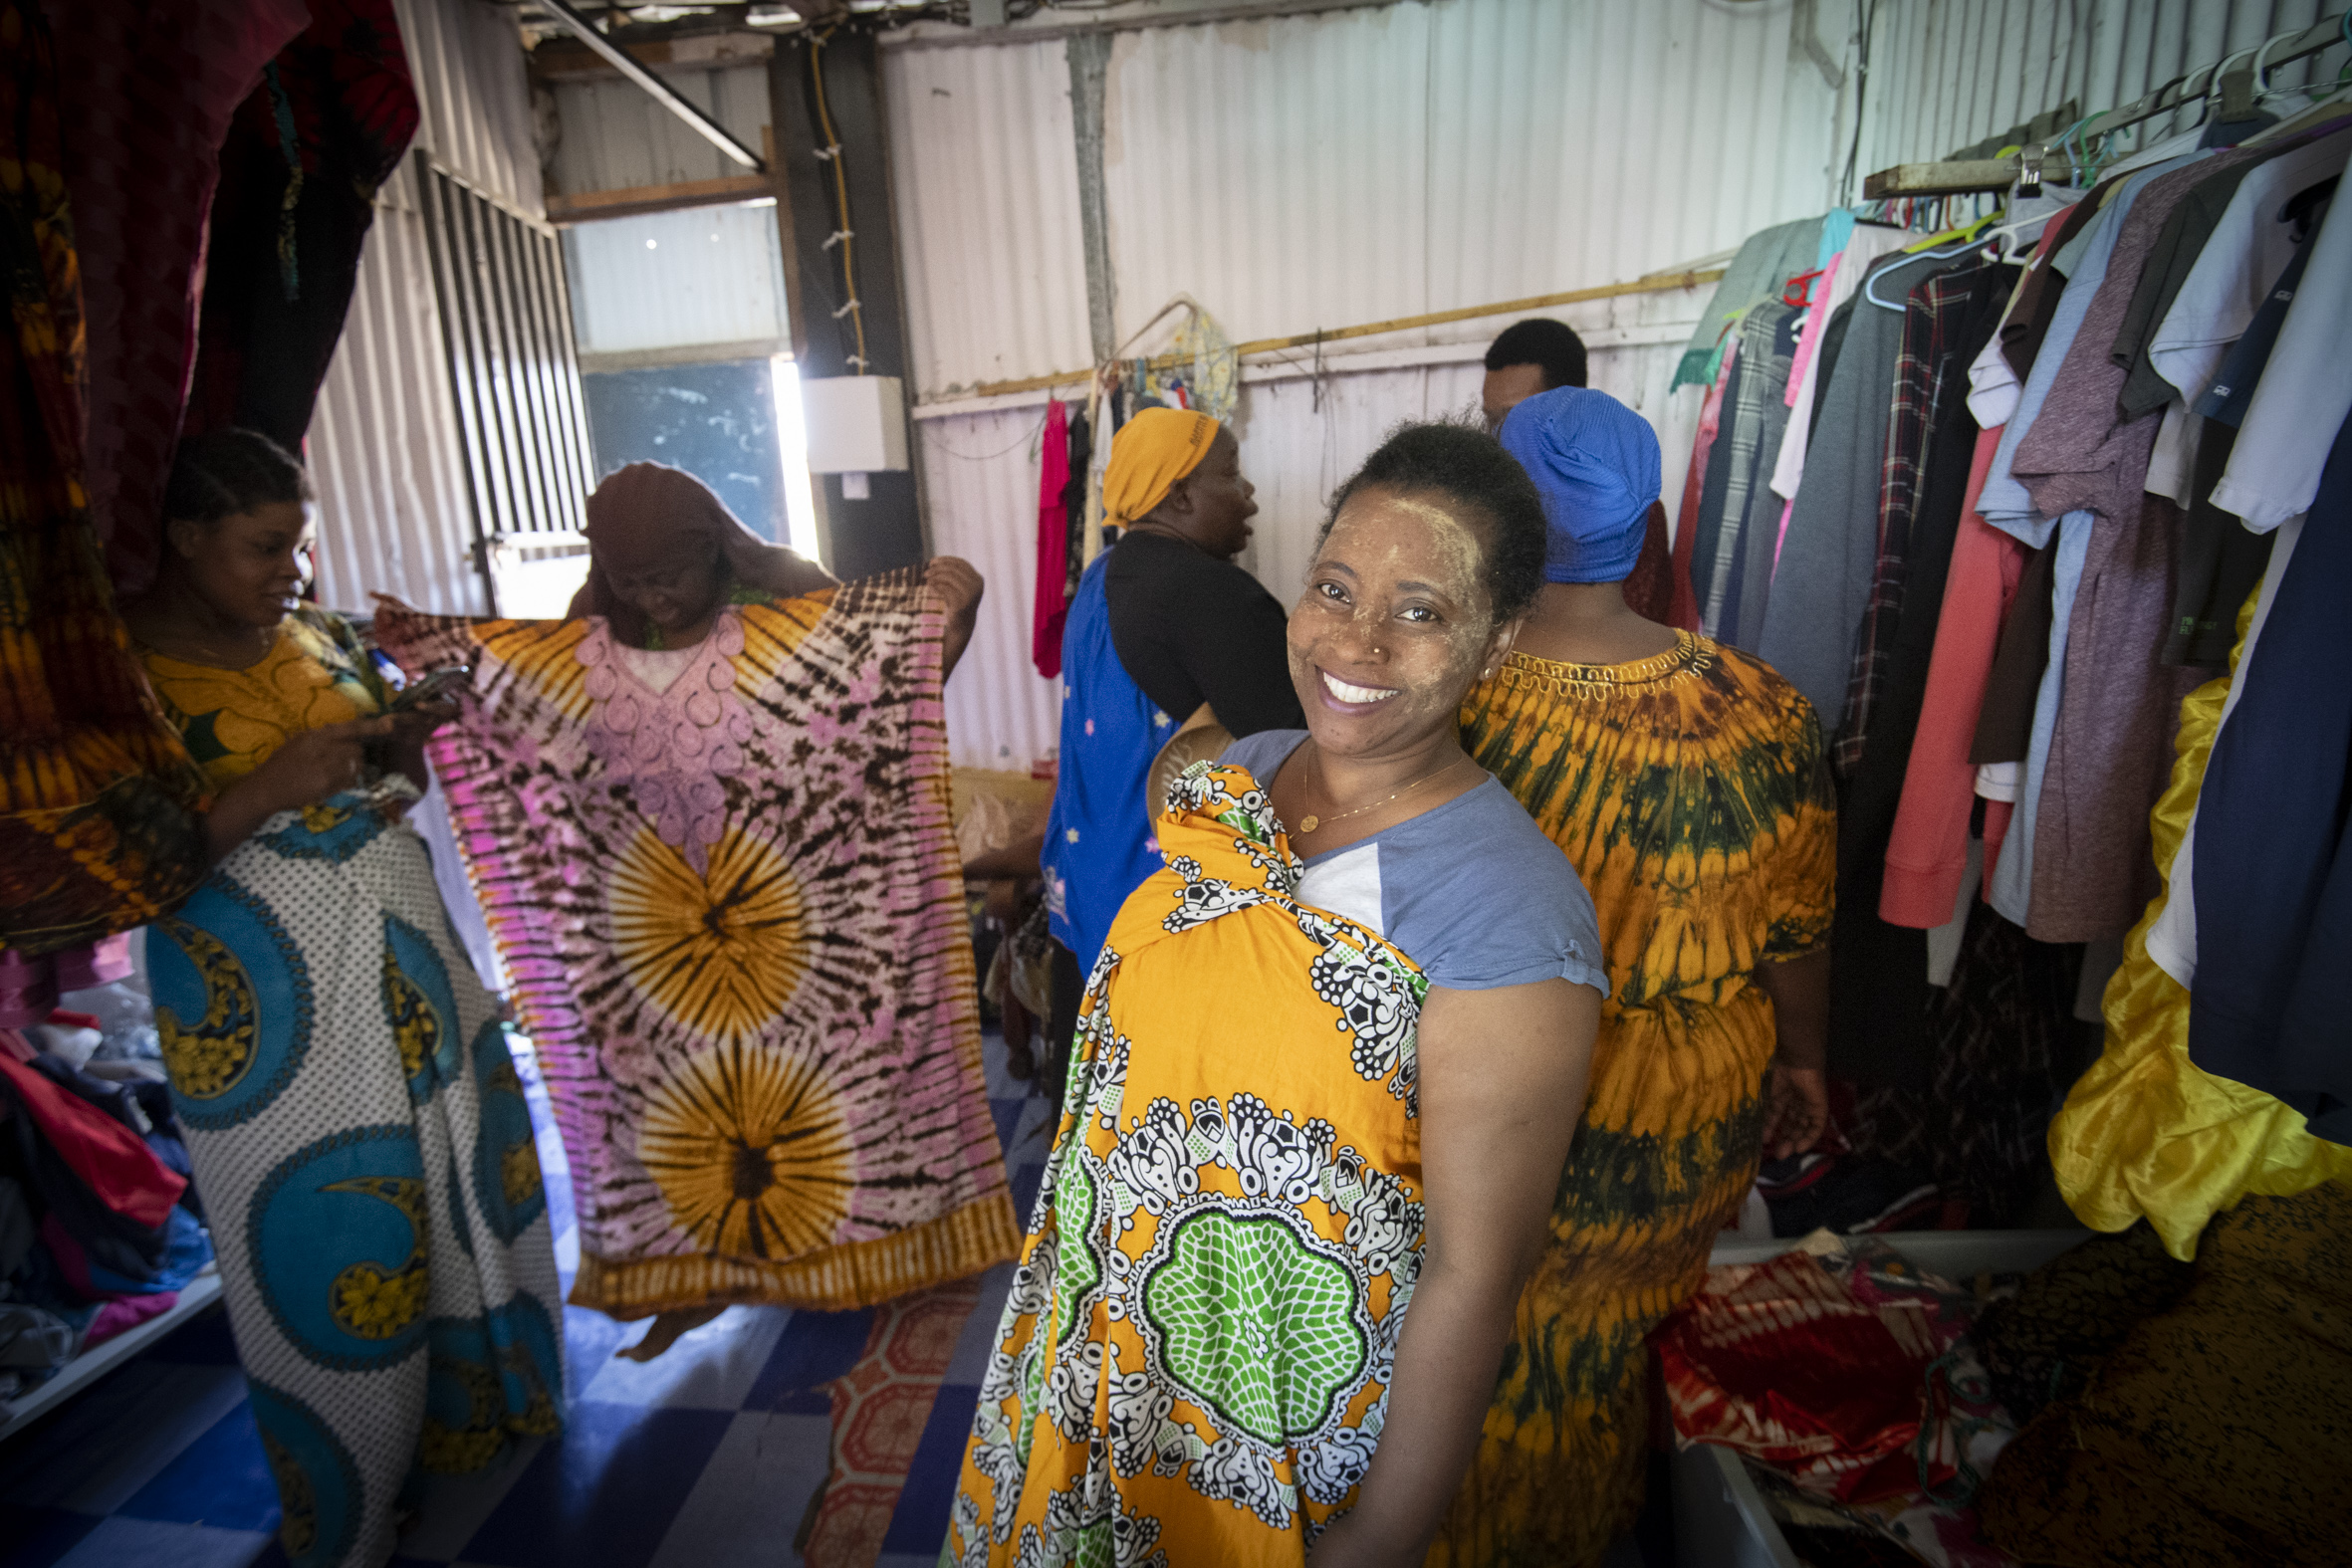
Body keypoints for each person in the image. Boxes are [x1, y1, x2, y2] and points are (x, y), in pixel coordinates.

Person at [946, 421, 1608, 1567]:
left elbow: (1471, 1271)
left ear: (1496, 644)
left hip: (1271, 1438)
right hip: (1102, 1362)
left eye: (1419, 610)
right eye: (1333, 587)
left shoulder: (1506, 914)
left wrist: (1380, 1538)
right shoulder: (1228, 779)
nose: (1353, 640)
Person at [124, 430, 566, 1568]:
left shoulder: (319, 637)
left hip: (404, 951)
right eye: (264, 548)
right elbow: (122, 874)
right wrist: (272, 787)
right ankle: (352, 1498)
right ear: (183, 541)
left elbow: (393, 785)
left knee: (466, 1184)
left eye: (300, 545)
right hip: (264, 1009)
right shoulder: (126, 681)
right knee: (328, 1231)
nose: (291, 570)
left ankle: (477, 1420)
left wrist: (405, 738)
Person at [1440, 386, 1836, 1568]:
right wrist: (1806, 1058)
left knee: (1490, 1353)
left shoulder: (1444, 702)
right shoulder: (1766, 708)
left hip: (1499, 1104)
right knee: (1618, 1345)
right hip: (1687, 1105)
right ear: (1650, 520)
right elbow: (1800, 929)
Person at [1037, 408, 1301, 1086]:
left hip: (1093, 891)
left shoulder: (1102, 578)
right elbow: (1299, 763)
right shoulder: (1212, 597)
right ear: (1180, 495)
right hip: (1166, 917)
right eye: (1232, 477)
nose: (1250, 497)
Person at [564, 459, 983, 678]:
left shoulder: (788, 592)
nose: (650, 598)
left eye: (668, 579)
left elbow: (878, 700)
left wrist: (953, 632)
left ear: (709, 548)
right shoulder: (600, 619)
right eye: (628, 583)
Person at [1481, 318, 1682, 625]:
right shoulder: (1481, 500)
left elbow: (1633, 639)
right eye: (1490, 419)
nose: (1497, 436)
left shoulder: (1630, 515)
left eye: (1513, 418)